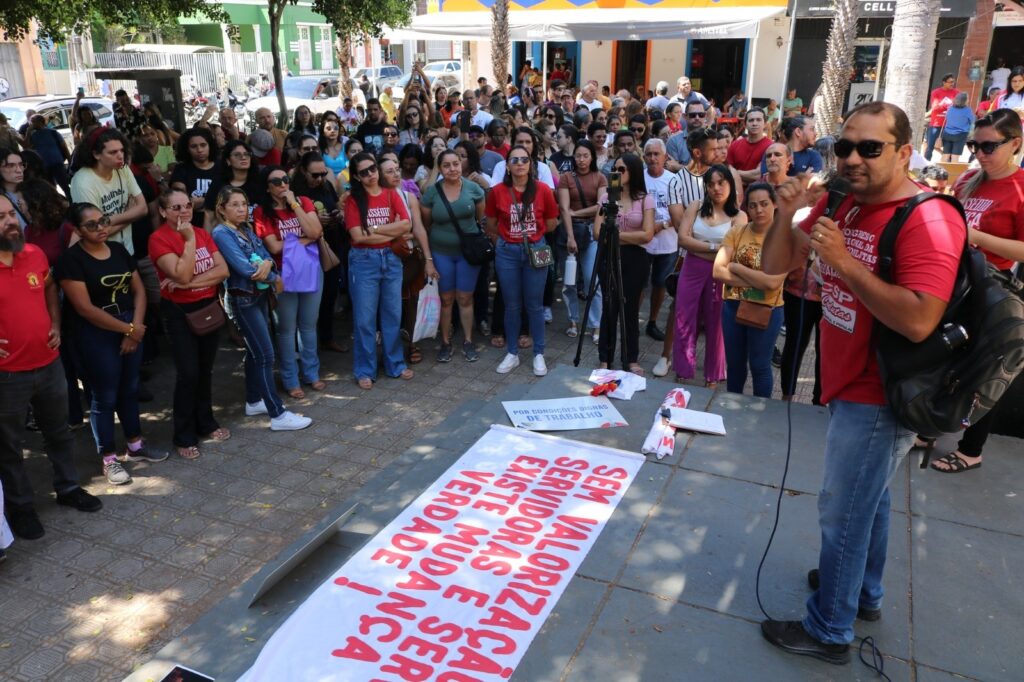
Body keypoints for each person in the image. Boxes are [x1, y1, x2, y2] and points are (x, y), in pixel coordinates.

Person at [759, 101, 965, 664]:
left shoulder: (928, 218)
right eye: (843, 147)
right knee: (866, 502)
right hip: (846, 377)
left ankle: (830, 628)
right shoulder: (841, 202)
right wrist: (787, 214)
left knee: (843, 508)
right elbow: (779, 266)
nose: (852, 158)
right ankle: (861, 592)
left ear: (903, 153)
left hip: (884, 391)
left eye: (869, 148)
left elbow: (921, 318)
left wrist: (847, 265)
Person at [925, 108, 1024, 473]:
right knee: (941, 359)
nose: (979, 153)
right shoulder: (968, 179)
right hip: (952, 284)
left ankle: (971, 448)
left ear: (1015, 144)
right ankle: (931, 425)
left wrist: (978, 238)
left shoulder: (1020, 187)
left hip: (991, 291)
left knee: (983, 369)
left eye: (988, 146)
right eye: (973, 145)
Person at [0, 196, 102, 541]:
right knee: (9, 446)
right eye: (0, 217)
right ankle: (21, 508)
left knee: (58, 431)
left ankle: (69, 487)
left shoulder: (34, 254)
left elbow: (48, 289)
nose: (10, 221)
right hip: (7, 375)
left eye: (11, 213)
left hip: (48, 363)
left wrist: (55, 323)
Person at [57, 202, 163, 486]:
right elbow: (85, 309)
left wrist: (135, 329)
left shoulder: (118, 250)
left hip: (131, 325)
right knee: (104, 395)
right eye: (91, 225)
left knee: (129, 388)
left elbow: (139, 291)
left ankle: (135, 445)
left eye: (103, 221)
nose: (101, 227)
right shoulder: (71, 260)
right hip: (96, 332)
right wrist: (128, 329)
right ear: (78, 230)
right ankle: (108, 459)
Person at [211, 187, 312, 431]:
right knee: (265, 354)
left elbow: (266, 257)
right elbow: (246, 269)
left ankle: (254, 400)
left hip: (258, 296)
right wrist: (268, 269)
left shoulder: (245, 229)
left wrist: (266, 265)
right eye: (234, 205)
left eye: (243, 204)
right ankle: (278, 415)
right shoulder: (222, 233)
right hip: (242, 299)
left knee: (255, 351)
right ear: (221, 209)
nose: (241, 209)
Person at [149, 189, 230, 460]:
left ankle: (205, 422)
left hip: (207, 307)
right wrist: (189, 240)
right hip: (179, 313)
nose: (184, 211)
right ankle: (183, 435)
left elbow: (222, 271)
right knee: (188, 373)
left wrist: (189, 283)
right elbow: (180, 272)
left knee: (205, 370)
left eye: (187, 206)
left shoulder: (202, 231)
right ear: (162, 211)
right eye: (175, 208)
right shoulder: (158, 239)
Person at [485, 145, 559, 376]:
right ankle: (513, 353)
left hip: (537, 249)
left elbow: (552, 223)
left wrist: (533, 236)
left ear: (531, 164)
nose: (519, 163)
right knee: (511, 304)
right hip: (507, 251)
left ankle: (538, 353)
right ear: (507, 165)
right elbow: (491, 225)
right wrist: (508, 239)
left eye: (524, 159)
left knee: (535, 305)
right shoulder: (497, 191)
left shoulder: (544, 190)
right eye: (514, 159)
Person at [253, 166, 326, 398]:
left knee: (309, 325)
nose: (282, 184)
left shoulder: (303, 201)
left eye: (285, 179)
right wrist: (304, 239)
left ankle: (311, 374)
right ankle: (290, 378)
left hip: (310, 270)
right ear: (267, 187)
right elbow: (273, 247)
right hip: (283, 273)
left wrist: (294, 204)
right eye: (276, 182)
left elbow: (316, 231)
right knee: (286, 329)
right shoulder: (262, 212)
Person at [344, 152, 414, 389]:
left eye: (372, 168)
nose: (371, 174)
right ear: (356, 176)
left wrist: (373, 229)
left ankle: (395, 363)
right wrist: (388, 231)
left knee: (392, 313)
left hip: (391, 259)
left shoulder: (391, 193)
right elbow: (356, 236)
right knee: (365, 318)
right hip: (364, 262)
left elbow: (407, 224)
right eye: (364, 172)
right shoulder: (353, 200)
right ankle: (365, 368)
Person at [673, 164, 745, 385]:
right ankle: (683, 370)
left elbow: (733, 251)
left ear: (730, 185)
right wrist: (715, 248)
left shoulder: (739, 216)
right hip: (692, 268)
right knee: (684, 318)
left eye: (721, 182)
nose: (716, 188)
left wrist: (703, 245)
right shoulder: (695, 206)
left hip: (720, 274)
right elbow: (682, 239)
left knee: (717, 324)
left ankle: (713, 376)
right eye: (711, 183)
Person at [713, 182, 786, 397]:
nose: (759, 210)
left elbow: (773, 283)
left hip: (766, 311)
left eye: (764, 204)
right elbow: (717, 271)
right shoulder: (736, 232)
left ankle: (761, 414)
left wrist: (735, 267)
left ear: (774, 204)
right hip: (733, 306)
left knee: (760, 365)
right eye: (753, 205)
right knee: (735, 365)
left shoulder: (784, 238)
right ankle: (733, 408)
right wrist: (757, 280)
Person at [419, 149, 485, 362]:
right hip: (441, 252)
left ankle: (467, 340)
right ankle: (446, 343)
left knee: (465, 297)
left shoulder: (474, 189)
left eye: (456, 164)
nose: (452, 169)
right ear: (440, 168)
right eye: (446, 165)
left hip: (468, 254)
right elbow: (427, 224)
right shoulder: (431, 192)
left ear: (461, 164)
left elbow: (479, 218)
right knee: (446, 299)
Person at [593, 152, 655, 374]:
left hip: (635, 259)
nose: (617, 174)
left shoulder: (645, 199)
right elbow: (597, 232)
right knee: (609, 307)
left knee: (629, 309)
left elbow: (647, 235)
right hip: (609, 256)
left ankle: (631, 358)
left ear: (634, 171)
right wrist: (626, 236)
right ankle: (605, 358)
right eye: (615, 169)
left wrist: (617, 235)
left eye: (622, 170)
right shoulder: (606, 197)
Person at [558, 140, 608, 340]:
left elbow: (600, 206)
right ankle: (572, 320)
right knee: (569, 281)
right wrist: (570, 236)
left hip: (591, 232)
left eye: (585, 155)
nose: (581, 160)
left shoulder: (600, 177)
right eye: (578, 156)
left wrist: (576, 212)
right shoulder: (566, 178)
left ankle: (596, 324)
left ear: (592, 157)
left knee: (591, 279)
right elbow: (563, 209)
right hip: (569, 233)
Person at [69, 129, 148, 255]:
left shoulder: (123, 169)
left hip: (127, 249)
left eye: (122, 150)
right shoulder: (83, 182)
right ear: (96, 154)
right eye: (113, 152)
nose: (120, 156)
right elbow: (93, 232)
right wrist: (130, 215)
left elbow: (143, 209)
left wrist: (108, 220)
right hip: (102, 254)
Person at [641, 138, 684, 344]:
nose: (652, 158)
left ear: (665, 157)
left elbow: (682, 211)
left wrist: (662, 225)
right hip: (642, 241)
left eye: (656, 154)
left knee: (659, 283)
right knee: (640, 282)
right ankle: (632, 318)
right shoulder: (638, 179)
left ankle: (652, 321)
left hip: (667, 241)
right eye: (649, 154)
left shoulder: (674, 180)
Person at [169, 127, 219, 227]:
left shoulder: (222, 168)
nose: (199, 150)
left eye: (203, 145)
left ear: (210, 146)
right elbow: (178, 195)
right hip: (190, 224)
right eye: (194, 146)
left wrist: (204, 202)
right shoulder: (181, 168)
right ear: (187, 149)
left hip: (219, 223)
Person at [24, 115, 71, 196]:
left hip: (57, 163)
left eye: (33, 122)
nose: (31, 124)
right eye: (31, 122)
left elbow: (64, 147)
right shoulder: (33, 135)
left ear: (41, 122)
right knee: (51, 188)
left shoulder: (53, 132)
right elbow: (26, 147)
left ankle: (72, 203)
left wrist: (70, 160)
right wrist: (28, 132)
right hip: (44, 166)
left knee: (65, 186)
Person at [729, 108, 773, 180]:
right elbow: (727, 171)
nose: (754, 123)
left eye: (758, 120)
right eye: (751, 120)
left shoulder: (771, 147)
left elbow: (758, 174)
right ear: (745, 125)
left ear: (765, 124)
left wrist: (736, 173)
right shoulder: (734, 145)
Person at [924, 73, 960, 162]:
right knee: (930, 146)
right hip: (936, 124)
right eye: (950, 82)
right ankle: (925, 164)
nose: (952, 84)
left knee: (949, 147)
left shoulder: (957, 93)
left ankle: (948, 165)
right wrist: (947, 105)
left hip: (950, 124)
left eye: (953, 82)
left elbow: (959, 106)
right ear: (944, 82)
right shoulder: (936, 92)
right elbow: (935, 108)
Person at [940, 93, 974, 162]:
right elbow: (972, 120)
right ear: (965, 101)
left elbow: (947, 118)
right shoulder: (967, 110)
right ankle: (953, 172)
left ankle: (940, 170)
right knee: (955, 156)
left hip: (947, 133)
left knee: (945, 155)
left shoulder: (950, 108)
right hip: (960, 135)